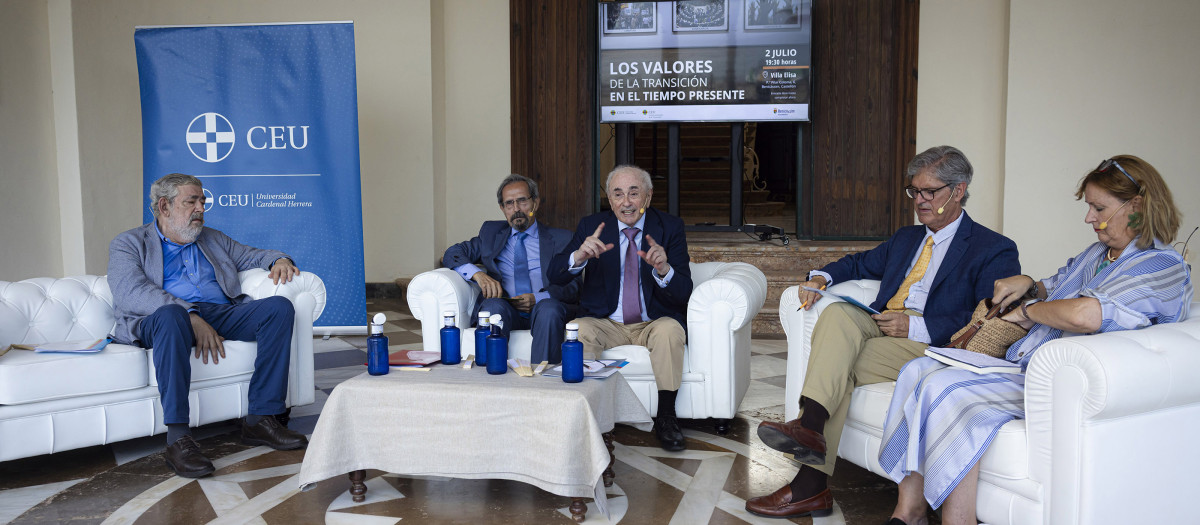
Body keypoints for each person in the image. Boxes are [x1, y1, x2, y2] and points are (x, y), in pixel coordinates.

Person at [879, 155, 1192, 525]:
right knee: (918, 369)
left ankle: (957, 520)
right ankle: (909, 510)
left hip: (1058, 384)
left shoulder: (1162, 265)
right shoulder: (1099, 253)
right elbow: (1056, 284)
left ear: (1136, 206)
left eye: (1098, 207)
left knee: (948, 390)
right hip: (1025, 364)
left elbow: (1084, 314)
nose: (1089, 218)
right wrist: (1028, 283)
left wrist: (1028, 312)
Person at [746, 146, 1022, 518]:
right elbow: (861, 262)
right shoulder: (908, 237)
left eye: (930, 192)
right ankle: (809, 432)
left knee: (842, 364)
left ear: (958, 190)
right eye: (914, 191)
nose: (919, 200)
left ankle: (809, 481)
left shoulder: (993, 248)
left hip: (930, 345)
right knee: (839, 314)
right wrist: (821, 276)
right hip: (879, 324)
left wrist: (917, 325)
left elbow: (985, 316)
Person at [108, 173, 308, 479]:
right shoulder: (129, 243)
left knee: (278, 308)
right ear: (164, 206)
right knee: (172, 316)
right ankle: (178, 439)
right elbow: (130, 291)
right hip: (161, 319)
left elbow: (252, 254)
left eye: (202, 200)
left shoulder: (212, 238)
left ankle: (261, 418)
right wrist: (189, 313)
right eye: (192, 201)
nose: (201, 207)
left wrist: (278, 259)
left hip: (218, 312)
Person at [547, 165, 693, 452]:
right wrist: (579, 256)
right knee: (580, 331)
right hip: (606, 321)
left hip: (652, 321)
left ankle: (666, 417)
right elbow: (556, 276)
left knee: (670, 332)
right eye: (618, 194)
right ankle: (585, 416)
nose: (626, 202)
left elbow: (684, 292)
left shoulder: (670, 227)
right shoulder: (592, 226)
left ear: (648, 198)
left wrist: (664, 269)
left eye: (634, 193)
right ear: (610, 199)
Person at [442, 174, 579, 363]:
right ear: (502, 208)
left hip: (544, 309)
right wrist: (478, 274)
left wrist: (538, 298)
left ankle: (543, 384)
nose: (516, 209)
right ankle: (491, 379)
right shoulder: (491, 234)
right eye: (509, 203)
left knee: (549, 309)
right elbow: (453, 253)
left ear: (535, 203)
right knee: (492, 307)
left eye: (522, 201)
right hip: (506, 309)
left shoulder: (562, 239)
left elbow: (574, 286)